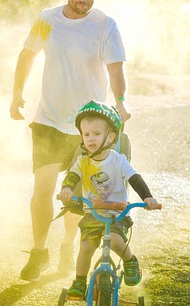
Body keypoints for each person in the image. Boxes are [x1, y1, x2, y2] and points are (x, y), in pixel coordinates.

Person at [10, 0, 131, 281]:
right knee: (42, 189)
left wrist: (120, 102)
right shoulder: (46, 20)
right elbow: (27, 56)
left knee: (76, 198)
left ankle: (67, 244)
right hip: (48, 119)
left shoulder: (106, 25)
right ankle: (39, 252)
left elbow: (116, 70)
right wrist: (16, 94)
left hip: (88, 127)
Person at [59, 100, 159, 298]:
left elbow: (135, 179)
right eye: (86, 135)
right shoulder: (82, 161)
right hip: (92, 213)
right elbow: (71, 177)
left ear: (111, 136)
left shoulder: (118, 160)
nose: (91, 139)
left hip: (117, 214)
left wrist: (147, 197)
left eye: (96, 134)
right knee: (86, 246)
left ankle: (130, 260)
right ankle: (79, 280)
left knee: (114, 240)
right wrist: (66, 190)